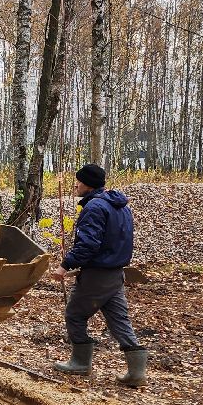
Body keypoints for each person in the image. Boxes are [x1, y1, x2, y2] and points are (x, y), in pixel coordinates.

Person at [49, 163, 147, 387]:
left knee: (74, 314)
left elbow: (88, 245)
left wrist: (64, 266)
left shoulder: (94, 208)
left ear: (89, 184)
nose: (76, 185)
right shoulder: (120, 206)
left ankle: (80, 363)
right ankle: (137, 373)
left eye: (79, 181)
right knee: (119, 320)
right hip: (116, 274)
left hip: (97, 276)